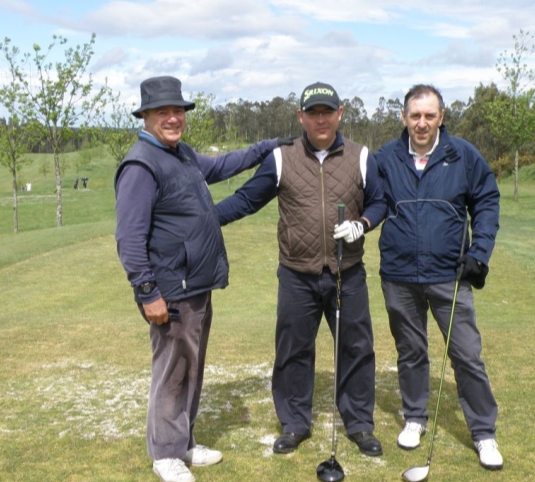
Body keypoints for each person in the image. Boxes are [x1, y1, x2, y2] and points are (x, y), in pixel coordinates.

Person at [114, 75, 293, 482]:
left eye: (178, 110)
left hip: (195, 284)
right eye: (164, 112)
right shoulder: (141, 165)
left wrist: (268, 147)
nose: (173, 117)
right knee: (173, 369)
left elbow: (224, 165)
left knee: (191, 367)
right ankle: (165, 455)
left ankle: (183, 443)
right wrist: (147, 293)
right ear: (145, 116)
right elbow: (128, 237)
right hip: (169, 290)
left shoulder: (183, 155)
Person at [216, 82, 387, 457]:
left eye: (328, 111)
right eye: (313, 113)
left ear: (340, 114)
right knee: (293, 349)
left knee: (357, 348)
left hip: (348, 272)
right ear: (301, 117)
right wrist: (205, 219)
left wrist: (364, 223)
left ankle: (359, 424)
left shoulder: (361, 156)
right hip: (297, 274)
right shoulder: (282, 157)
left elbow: (379, 201)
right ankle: (294, 423)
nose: (321, 119)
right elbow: (246, 199)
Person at [374, 84, 503, 470]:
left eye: (430, 115)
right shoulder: (386, 157)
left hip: (450, 274)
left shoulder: (461, 155)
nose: (422, 123)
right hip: (399, 275)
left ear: (441, 117)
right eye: (415, 115)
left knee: (465, 354)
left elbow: (487, 200)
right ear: (404, 117)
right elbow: (370, 199)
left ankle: (484, 433)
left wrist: (479, 253)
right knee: (411, 352)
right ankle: (414, 417)